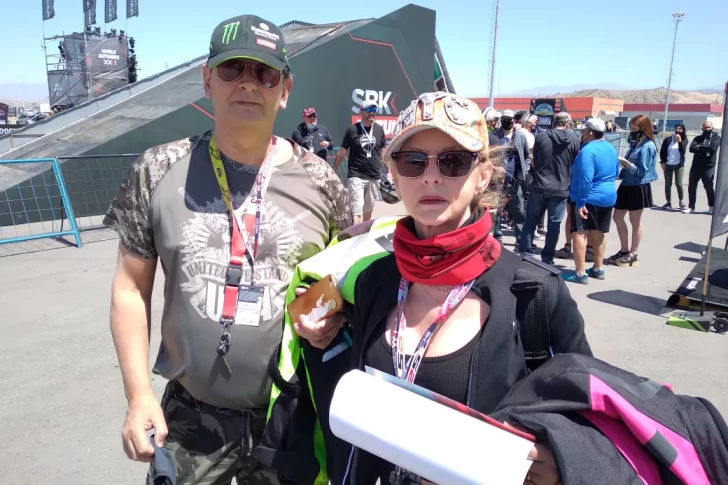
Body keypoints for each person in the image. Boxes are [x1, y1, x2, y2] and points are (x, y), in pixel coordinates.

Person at [103, 14, 351, 485]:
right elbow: (129, 290)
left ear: (284, 90)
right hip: (190, 420)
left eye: (264, 73)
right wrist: (138, 395)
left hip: (291, 414)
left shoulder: (322, 182)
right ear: (207, 79)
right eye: (233, 68)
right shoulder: (157, 170)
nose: (248, 84)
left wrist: (333, 318)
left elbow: (341, 285)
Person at [339, 91, 591, 485]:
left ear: (483, 175)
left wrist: (560, 456)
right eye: (413, 161)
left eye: (454, 161)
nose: (431, 176)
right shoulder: (376, 280)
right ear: (393, 172)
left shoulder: (535, 292)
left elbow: (589, 413)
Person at [561, 118, 620, 284]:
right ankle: (597, 268)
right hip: (607, 196)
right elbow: (616, 171)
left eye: (584, 131)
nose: (581, 134)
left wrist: (580, 202)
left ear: (591, 133)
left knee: (579, 233)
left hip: (588, 197)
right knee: (598, 232)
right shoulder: (610, 148)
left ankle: (580, 273)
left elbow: (586, 178)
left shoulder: (587, 151)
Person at [519, 112, 581, 265]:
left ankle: (525, 253)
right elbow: (576, 164)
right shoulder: (574, 139)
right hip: (560, 188)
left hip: (539, 185)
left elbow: (533, 159)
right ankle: (547, 257)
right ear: (567, 124)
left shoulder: (541, 137)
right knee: (554, 225)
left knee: (531, 221)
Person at [608, 114, 657, 268]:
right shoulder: (635, 144)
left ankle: (634, 253)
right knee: (617, 216)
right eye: (631, 128)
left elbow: (642, 170)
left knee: (635, 221)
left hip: (639, 185)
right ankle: (624, 249)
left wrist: (626, 163)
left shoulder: (648, 146)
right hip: (627, 183)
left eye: (635, 129)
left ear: (643, 129)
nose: (632, 131)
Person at [333, 102, 387, 224]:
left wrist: (389, 170)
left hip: (374, 176)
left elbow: (383, 152)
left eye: (374, 109)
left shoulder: (379, 129)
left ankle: (364, 236)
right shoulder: (352, 130)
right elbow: (342, 152)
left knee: (368, 212)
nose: (372, 112)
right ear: (361, 112)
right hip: (356, 175)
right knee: (356, 212)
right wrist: (334, 169)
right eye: (368, 109)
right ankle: (355, 239)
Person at [493, 109, 531, 244]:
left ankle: (520, 236)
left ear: (514, 120)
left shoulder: (519, 137)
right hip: (497, 179)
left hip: (515, 178)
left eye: (509, 119)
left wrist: (524, 171)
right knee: (497, 208)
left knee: (518, 208)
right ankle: (497, 236)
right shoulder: (495, 136)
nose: (506, 121)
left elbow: (527, 156)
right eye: (504, 119)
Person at [684, 120, 721, 214]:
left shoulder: (716, 138)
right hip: (696, 166)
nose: (707, 129)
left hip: (708, 167)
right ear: (702, 128)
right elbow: (692, 148)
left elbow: (712, 148)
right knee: (692, 186)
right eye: (705, 127)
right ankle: (691, 207)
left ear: (712, 128)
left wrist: (699, 147)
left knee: (708, 186)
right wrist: (703, 147)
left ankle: (711, 206)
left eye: (709, 127)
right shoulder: (698, 138)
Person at [659, 123, 688, 210]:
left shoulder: (684, 140)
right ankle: (668, 202)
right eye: (677, 128)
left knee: (678, 184)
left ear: (683, 130)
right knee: (668, 184)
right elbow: (662, 151)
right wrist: (663, 162)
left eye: (680, 129)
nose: (678, 130)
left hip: (679, 165)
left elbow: (683, 152)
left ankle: (681, 201)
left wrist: (679, 141)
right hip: (668, 164)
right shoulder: (668, 140)